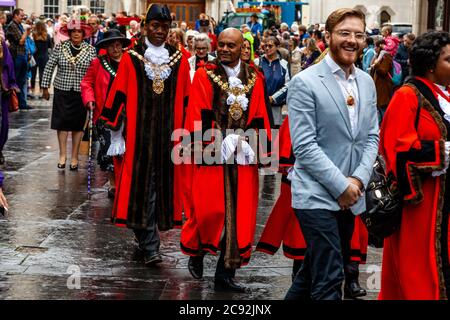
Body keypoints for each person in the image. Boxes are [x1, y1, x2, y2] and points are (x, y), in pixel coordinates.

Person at [285, 8, 379, 300]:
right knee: (330, 277)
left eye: (358, 35)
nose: (352, 40)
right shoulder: (305, 82)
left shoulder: (366, 81)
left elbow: (372, 136)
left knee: (312, 273)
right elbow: (304, 146)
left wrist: (357, 182)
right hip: (315, 195)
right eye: (344, 33)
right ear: (328, 36)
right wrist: (341, 186)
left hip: (350, 196)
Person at [180, 28, 272, 293]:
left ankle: (226, 272)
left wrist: (257, 147)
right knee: (209, 211)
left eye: (231, 45)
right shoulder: (203, 75)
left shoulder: (255, 77)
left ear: (242, 47)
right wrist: (217, 143)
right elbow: (197, 113)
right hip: (213, 154)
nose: (224, 50)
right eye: (221, 45)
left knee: (240, 216)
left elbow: (260, 114)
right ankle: (197, 251)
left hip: (243, 156)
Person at [99, 4, 191, 266]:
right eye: (155, 26)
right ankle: (150, 246)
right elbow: (119, 93)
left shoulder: (179, 59)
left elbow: (186, 99)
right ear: (145, 26)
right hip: (138, 138)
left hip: (169, 138)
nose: (160, 31)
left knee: (157, 191)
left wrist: (187, 134)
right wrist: (115, 132)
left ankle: (144, 240)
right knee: (141, 189)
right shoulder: (132, 57)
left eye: (164, 27)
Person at [256, 116, 369, 298]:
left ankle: (351, 276)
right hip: (314, 187)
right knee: (319, 258)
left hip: (346, 183)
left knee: (337, 248)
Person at [379, 31, 450, 300]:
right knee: (417, 276)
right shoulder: (407, 96)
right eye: (449, 59)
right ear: (431, 65)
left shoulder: (446, 96)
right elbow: (397, 150)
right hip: (421, 210)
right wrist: (442, 152)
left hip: (445, 204)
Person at [81, 29, 131, 199]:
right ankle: (113, 184)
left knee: (126, 150)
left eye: (118, 45)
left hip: (127, 113)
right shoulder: (98, 63)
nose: (116, 49)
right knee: (109, 149)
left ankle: (126, 181)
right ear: (106, 48)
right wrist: (89, 99)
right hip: (105, 114)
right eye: (112, 46)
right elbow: (87, 83)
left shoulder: (131, 62)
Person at [41, 18, 96, 170]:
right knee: (62, 123)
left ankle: (75, 157)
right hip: (62, 89)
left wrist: (94, 93)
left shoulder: (91, 50)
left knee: (78, 125)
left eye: (79, 31)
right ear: (69, 33)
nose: (76, 34)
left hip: (81, 92)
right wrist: (45, 87)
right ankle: (62, 155)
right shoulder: (60, 47)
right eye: (73, 32)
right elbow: (49, 66)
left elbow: (94, 72)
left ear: (83, 34)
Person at [254, 36, 290, 128]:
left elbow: (288, 85)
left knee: (274, 137)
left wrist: (273, 98)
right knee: (260, 137)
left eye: (270, 46)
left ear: (277, 47)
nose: (267, 48)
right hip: (259, 108)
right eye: (265, 46)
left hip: (275, 109)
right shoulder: (257, 62)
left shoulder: (283, 64)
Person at [6, 8, 31, 110]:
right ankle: (14, 104)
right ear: (15, 15)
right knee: (16, 81)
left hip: (22, 55)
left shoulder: (19, 25)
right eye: (21, 15)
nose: (23, 17)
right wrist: (26, 32)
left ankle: (22, 103)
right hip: (17, 56)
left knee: (22, 81)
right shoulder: (12, 26)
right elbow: (20, 41)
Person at [0, 38, 18, 165]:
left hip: (2, 89)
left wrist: (12, 83)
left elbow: (9, 64)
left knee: (3, 124)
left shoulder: (1, 44)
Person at [371, 39, 394, 123]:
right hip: (378, 86)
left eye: (375, 46)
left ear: (380, 46)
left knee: (383, 108)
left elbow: (384, 71)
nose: (374, 48)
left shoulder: (386, 56)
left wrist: (376, 65)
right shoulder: (378, 56)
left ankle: (386, 127)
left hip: (384, 87)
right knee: (379, 109)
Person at [31, 20, 52, 98]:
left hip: (35, 56)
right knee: (42, 74)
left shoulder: (33, 35)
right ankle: (41, 91)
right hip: (44, 56)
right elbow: (50, 47)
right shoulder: (47, 36)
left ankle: (32, 91)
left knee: (33, 74)